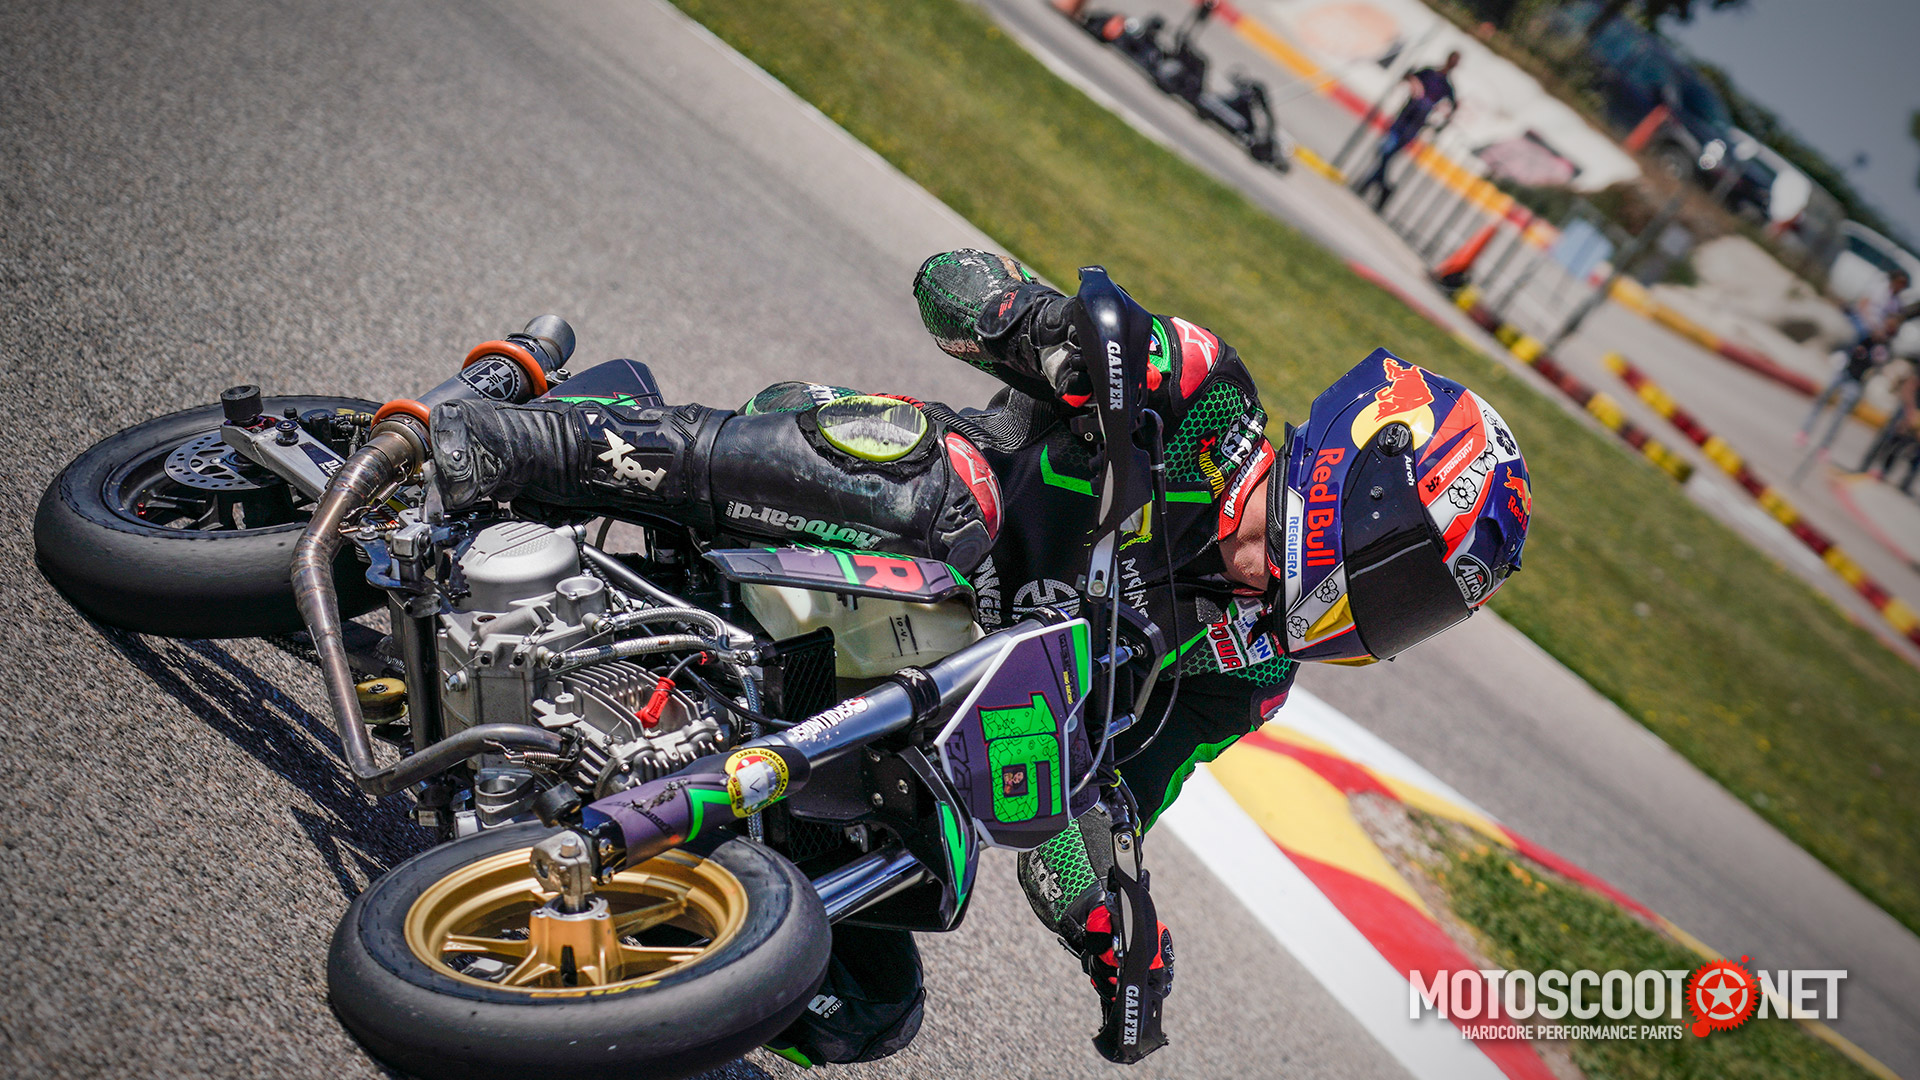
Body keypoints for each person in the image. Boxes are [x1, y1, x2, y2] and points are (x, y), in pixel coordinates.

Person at [427, 249, 1532, 1066]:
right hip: (847, 520)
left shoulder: (1246, 674)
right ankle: (532, 441)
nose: (1394, 615)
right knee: (954, 498)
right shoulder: (1204, 398)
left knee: (867, 1000)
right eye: (1410, 581)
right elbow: (947, 283)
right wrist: (1038, 326)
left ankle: (593, 957)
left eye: (1421, 610)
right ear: (1364, 485)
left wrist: (1108, 924)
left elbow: (1095, 808)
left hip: (875, 716)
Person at [1355, 50, 1460, 211]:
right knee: (1384, 150)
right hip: (1404, 117)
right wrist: (1414, 83)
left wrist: (1438, 117)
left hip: (1415, 125)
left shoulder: (1447, 87)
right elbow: (1408, 76)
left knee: (1387, 152)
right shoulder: (1429, 72)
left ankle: (1371, 184)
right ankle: (1380, 186)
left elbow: (1452, 108)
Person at [1800, 308, 1904, 457]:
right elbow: (1851, 343)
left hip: (1857, 381)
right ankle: (1805, 431)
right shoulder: (1868, 335)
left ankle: (1824, 446)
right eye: (1889, 324)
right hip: (1845, 370)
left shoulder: (1887, 348)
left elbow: (1880, 365)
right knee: (1822, 400)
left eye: (1893, 327)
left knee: (1840, 415)